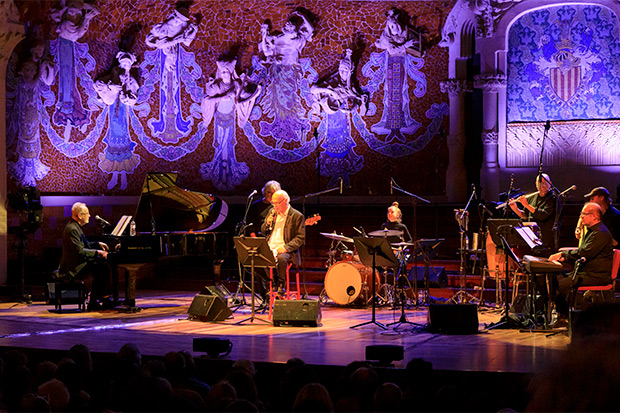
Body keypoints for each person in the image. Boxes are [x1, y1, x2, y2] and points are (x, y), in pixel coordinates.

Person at [548, 202, 614, 326]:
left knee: (562, 284)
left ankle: (576, 316)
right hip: (588, 272)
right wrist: (566, 257)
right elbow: (584, 252)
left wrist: (563, 254)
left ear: (594, 216)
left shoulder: (600, 233)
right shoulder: (592, 231)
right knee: (557, 278)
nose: (581, 217)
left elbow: (585, 252)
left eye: (584, 214)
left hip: (596, 275)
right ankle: (565, 315)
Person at [56, 202, 116, 311]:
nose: (89, 215)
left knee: (101, 267)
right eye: (87, 213)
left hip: (77, 263)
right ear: (79, 216)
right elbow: (80, 251)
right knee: (103, 268)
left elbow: (85, 245)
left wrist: (98, 243)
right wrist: (98, 252)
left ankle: (95, 301)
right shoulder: (73, 229)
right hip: (73, 268)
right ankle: (103, 299)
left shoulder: (75, 227)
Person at [261, 190, 305, 296]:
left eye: (277, 203)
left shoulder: (296, 216)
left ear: (285, 201)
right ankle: (269, 287)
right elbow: (263, 230)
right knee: (254, 258)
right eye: (273, 203)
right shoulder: (271, 212)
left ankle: (281, 284)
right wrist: (267, 223)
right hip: (270, 246)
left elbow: (300, 238)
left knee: (281, 258)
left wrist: (286, 247)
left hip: (286, 249)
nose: (275, 206)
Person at [509, 173, 557, 255]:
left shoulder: (553, 198)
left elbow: (543, 215)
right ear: (536, 184)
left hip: (545, 239)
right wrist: (515, 208)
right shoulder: (533, 197)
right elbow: (525, 216)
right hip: (531, 238)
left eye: (545, 183)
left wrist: (526, 205)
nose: (542, 186)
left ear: (550, 184)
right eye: (540, 183)